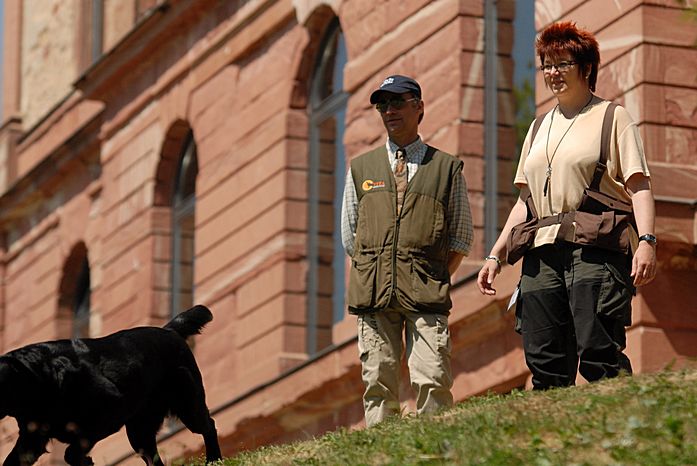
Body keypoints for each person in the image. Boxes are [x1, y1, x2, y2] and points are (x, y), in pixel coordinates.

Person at [476, 22, 656, 390]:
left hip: (595, 248)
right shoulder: (537, 127)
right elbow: (525, 201)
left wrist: (647, 241)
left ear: (586, 68)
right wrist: (495, 255)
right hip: (541, 252)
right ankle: (554, 426)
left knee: (599, 351)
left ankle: (623, 421)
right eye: (547, 65)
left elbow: (639, 186)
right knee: (545, 361)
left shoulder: (612, 117)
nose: (553, 73)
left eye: (562, 64)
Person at [341, 75, 473, 426]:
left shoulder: (446, 168)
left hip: (425, 293)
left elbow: (461, 238)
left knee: (433, 377)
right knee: (377, 382)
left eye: (397, 102)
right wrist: (377, 269)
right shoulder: (361, 168)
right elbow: (350, 237)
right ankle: (381, 450)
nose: (389, 111)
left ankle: (435, 447)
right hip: (374, 295)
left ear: (419, 107)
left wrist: (429, 274)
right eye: (382, 105)